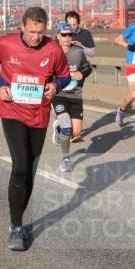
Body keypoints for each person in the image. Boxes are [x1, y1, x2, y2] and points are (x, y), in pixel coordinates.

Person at [0, 7, 70, 251]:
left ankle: (18, 216)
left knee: (30, 170)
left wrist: (56, 86)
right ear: (22, 27)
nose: (36, 37)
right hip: (12, 111)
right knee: (20, 166)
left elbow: (64, 76)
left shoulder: (52, 49)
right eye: (32, 32)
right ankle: (16, 226)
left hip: (39, 115)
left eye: (41, 33)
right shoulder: (6, 44)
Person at [51, 22, 91, 170]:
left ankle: (59, 130)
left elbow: (87, 67)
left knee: (75, 132)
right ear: (58, 36)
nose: (67, 37)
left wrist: (82, 73)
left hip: (76, 94)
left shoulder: (78, 51)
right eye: (64, 35)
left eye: (70, 35)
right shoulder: (52, 51)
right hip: (59, 94)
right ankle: (66, 159)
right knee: (68, 127)